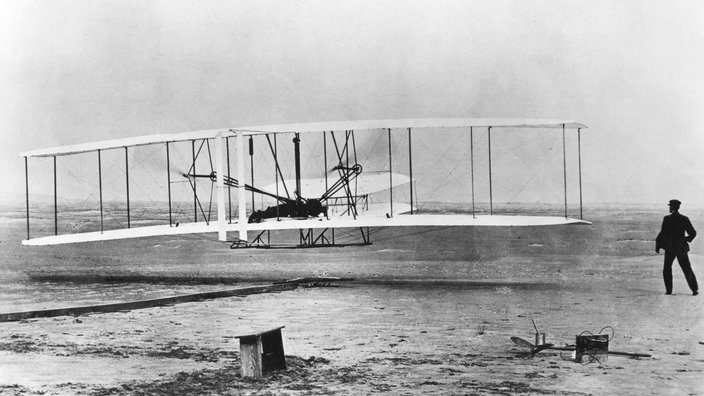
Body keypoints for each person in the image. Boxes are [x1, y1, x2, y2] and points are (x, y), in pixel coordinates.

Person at [655, 199, 698, 295]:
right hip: (681, 247)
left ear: (673, 207)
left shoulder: (667, 218)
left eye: (670, 206)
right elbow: (693, 233)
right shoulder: (684, 219)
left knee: (667, 268)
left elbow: (663, 233)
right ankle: (694, 290)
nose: (669, 208)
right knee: (687, 268)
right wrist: (687, 239)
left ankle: (669, 291)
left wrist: (658, 244)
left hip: (670, 248)